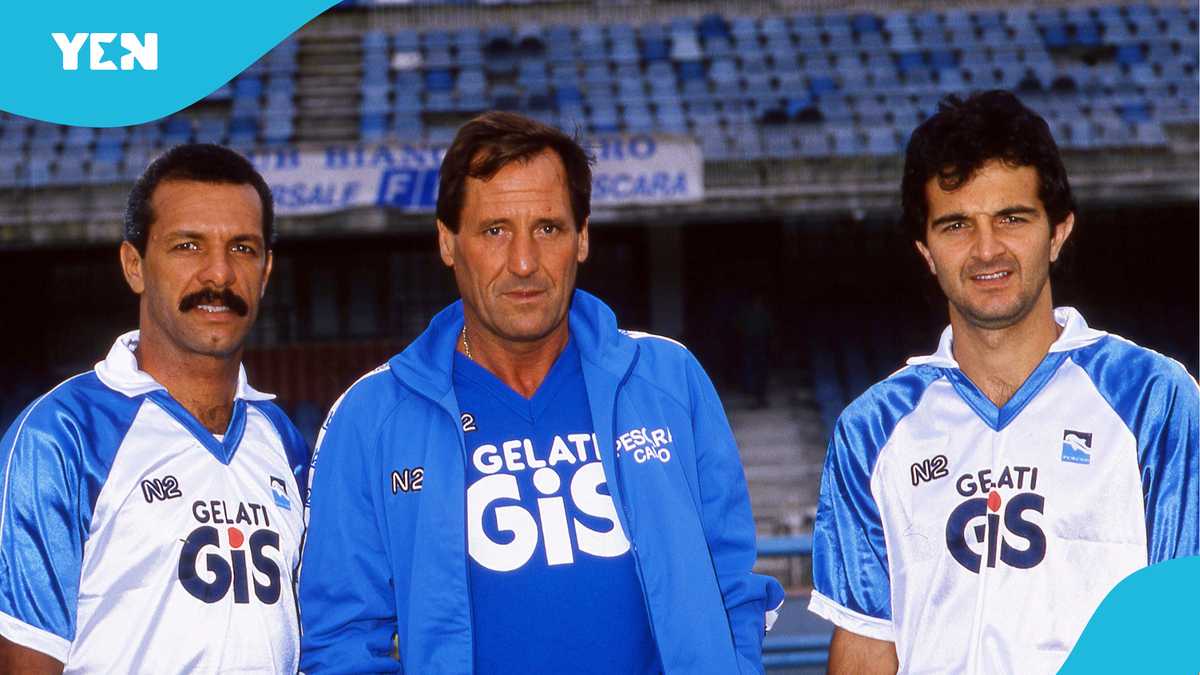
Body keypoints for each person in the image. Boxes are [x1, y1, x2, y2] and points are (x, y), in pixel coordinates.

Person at [299, 111, 784, 674]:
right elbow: (342, 641)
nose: (524, 262)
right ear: (448, 242)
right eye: (495, 230)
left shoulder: (668, 380)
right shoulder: (372, 417)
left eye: (548, 228)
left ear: (583, 238)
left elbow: (731, 587)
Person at [809, 90, 1198, 674]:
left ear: (1058, 232)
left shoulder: (1154, 399)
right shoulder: (871, 430)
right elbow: (866, 646)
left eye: (1012, 218)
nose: (986, 249)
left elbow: (1182, 618)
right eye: (956, 225)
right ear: (926, 252)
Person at [0, 144, 308, 673]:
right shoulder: (61, 436)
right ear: (134, 265)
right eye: (188, 245)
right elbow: (24, 658)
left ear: (266, 271)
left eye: (242, 248)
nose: (219, 275)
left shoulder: (282, 439)